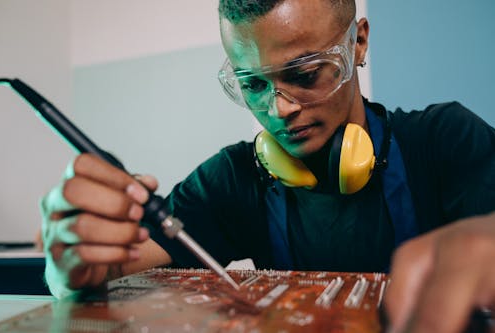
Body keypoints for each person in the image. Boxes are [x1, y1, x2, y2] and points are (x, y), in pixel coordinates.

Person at [39, 0, 494, 332]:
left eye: (304, 74)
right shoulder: (232, 178)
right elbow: (117, 271)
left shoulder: (446, 141)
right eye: (253, 84)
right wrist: (73, 268)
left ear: (357, 44)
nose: (277, 109)